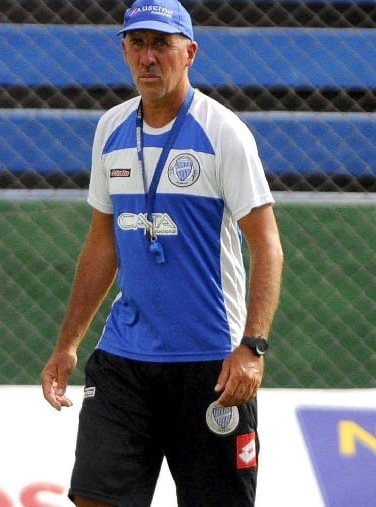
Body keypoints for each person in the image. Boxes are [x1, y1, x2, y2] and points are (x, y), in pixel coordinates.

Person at [40, 0, 284, 505]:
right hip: (125, 360)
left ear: (189, 52)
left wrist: (253, 348)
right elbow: (102, 242)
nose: (148, 57)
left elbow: (267, 246)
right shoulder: (110, 129)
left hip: (211, 364)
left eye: (161, 44)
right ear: (124, 51)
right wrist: (68, 344)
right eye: (137, 44)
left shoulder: (224, 133)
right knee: (95, 497)